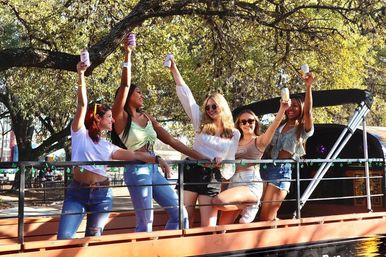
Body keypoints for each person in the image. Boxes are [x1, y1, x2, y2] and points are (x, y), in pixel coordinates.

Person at [57, 61, 168, 240]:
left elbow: (134, 154)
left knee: (92, 242)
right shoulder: (79, 133)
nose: (113, 120)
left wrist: (157, 159)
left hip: (102, 197)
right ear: (98, 118)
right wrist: (81, 75)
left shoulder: (107, 146)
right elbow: (82, 105)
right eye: (109, 117)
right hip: (77, 194)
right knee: (64, 238)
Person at [111, 38, 206, 232]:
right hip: (137, 171)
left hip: (154, 169)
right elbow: (124, 86)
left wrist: (203, 158)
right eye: (139, 92)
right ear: (129, 96)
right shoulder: (120, 118)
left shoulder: (148, 117)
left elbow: (172, 141)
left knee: (181, 215)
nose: (142, 95)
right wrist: (128, 54)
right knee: (145, 222)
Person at [169, 57, 240, 227]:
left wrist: (222, 164)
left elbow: (230, 164)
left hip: (211, 177)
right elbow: (187, 98)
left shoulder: (234, 134)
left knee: (208, 225)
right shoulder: (200, 122)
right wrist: (174, 69)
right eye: (207, 107)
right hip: (191, 171)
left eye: (214, 106)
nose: (210, 110)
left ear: (222, 106)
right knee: (185, 219)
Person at [212, 100, 290, 225]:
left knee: (218, 201)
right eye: (243, 121)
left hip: (250, 183)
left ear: (255, 123)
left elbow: (274, 125)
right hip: (233, 181)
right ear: (239, 124)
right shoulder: (233, 141)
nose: (247, 124)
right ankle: (247, 205)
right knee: (222, 227)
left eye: (250, 121)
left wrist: (282, 109)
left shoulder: (259, 141)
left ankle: (253, 202)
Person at [259, 71, 315, 221]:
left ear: (301, 108)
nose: (291, 109)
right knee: (262, 215)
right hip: (264, 168)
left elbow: (309, 112)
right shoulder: (280, 124)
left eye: (295, 106)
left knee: (266, 217)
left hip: (281, 172)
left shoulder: (302, 129)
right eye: (290, 105)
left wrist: (308, 86)